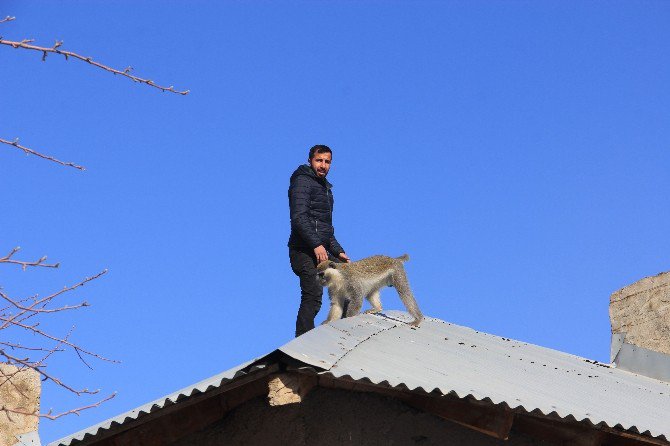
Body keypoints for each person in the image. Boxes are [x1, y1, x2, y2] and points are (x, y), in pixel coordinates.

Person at [288, 145, 350, 337]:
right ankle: (302, 340)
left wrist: (339, 252)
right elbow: (299, 218)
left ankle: (343, 331)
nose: (323, 165)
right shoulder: (302, 182)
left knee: (348, 283)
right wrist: (315, 245)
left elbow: (325, 229)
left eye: (327, 161)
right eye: (319, 161)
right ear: (310, 161)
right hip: (302, 250)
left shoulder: (325, 189)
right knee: (313, 294)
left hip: (320, 248)